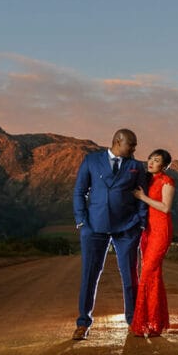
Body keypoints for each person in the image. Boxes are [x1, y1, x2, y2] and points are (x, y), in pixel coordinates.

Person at [72, 129, 148, 341]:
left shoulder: (135, 166)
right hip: (94, 228)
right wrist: (81, 221)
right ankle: (83, 323)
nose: (134, 149)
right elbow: (80, 191)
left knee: (130, 276)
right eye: (131, 145)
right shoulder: (91, 160)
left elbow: (143, 196)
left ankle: (134, 321)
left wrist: (140, 222)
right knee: (89, 275)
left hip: (126, 229)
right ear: (118, 142)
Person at [130, 149, 175, 338]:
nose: (151, 162)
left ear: (163, 166)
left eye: (156, 160)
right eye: (150, 158)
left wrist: (143, 198)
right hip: (147, 232)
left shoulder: (167, 181)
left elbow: (165, 208)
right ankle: (156, 323)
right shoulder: (147, 179)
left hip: (161, 231)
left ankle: (143, 323)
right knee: (152, 275)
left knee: (147, 272)